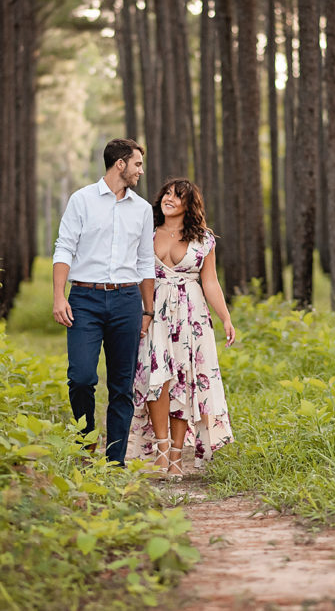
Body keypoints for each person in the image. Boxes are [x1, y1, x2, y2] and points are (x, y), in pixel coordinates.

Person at [52, 138, 155, 465]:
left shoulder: (142, 209)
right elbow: (64, 247)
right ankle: (85, 446)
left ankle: (115, 462)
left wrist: (147, 310)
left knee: (122, 386)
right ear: (120, 164)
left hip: (126, 300)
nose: (141, 170)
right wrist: (58, 296)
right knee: (81, 377)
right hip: (85, 298)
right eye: (137, 163)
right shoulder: (81, 200)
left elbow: (145, 262)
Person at [127, 178, 235, 477]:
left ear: (190, 205)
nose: (169, 198)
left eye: (177, 195)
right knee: (156, 377)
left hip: (191, 313)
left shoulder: (203, 239)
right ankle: (161, 448)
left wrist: (225, 317)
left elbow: (210, 281)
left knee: (184, 380)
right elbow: (136, 275)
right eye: (166, 194)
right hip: (154, 310)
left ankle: (176, 454)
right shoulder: (146, 234)